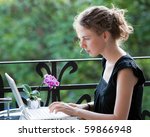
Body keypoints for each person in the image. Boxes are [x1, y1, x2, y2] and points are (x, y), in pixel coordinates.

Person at [49, 5, 145, 120]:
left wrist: (76, 112)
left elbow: (119, 119)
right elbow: (108, 104)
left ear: (105, 35)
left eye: (86, 38)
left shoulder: (126, 70)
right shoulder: (108, 61)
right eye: (80, 39)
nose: (82, 45)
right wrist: (83, 107)